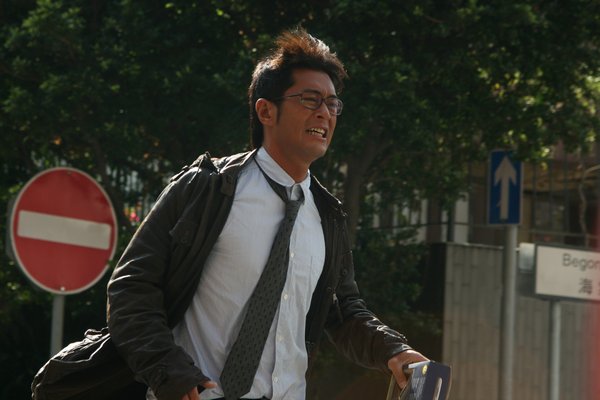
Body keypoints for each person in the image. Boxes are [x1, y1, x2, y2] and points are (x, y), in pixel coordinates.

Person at [106, 28, 428, 400]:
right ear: (265, 111)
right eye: (310, 99)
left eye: (332, 104)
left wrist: (394, 351)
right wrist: (169, 373)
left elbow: (342, 311)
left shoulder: (328, 217)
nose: (324, 113)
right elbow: (131, 287)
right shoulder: (207, 189)